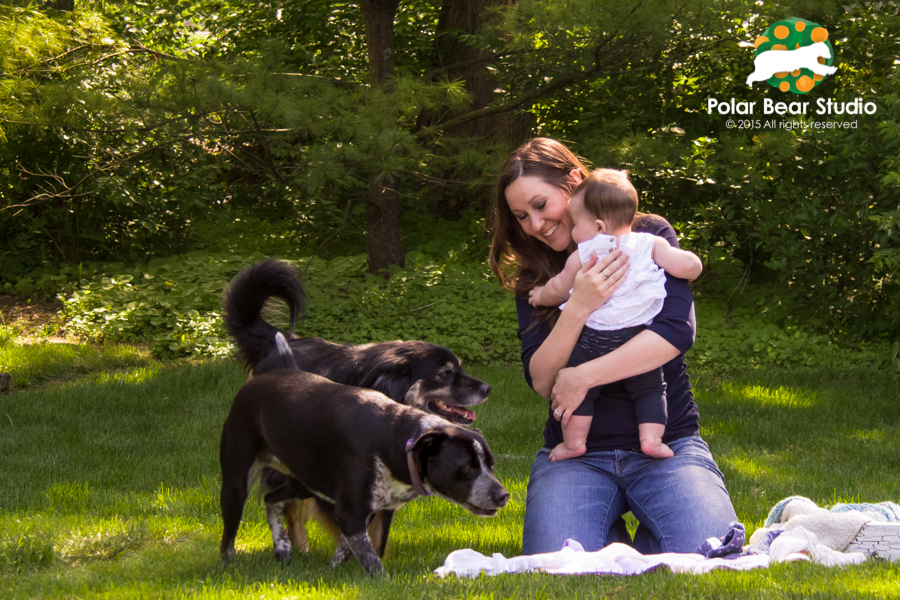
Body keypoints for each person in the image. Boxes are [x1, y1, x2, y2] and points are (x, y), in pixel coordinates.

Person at [489, 137, 737, 555]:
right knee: (558, 564)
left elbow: (676, 333)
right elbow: (544, 380)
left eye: (539, 205)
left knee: (711, 554)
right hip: (576, 455)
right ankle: (614, 540)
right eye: (521, 216)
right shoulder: (539, 279)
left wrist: (583, 375)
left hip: (667, 445)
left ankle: (646, 538)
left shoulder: (646, 235)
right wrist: (579, 304)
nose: (534, 224)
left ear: (573, 181)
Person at [528, 169, 703, 461]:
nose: (573, 231)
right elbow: (686, 265)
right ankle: (652, 439)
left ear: (597, 226)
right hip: (638, 337)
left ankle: (573, 444)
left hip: (594, 339)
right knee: (649, 389)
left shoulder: (584, 253)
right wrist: (693, 266)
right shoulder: (649, 243)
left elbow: (558, 290)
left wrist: (539, 295)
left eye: (575, 224)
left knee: (580, 393)